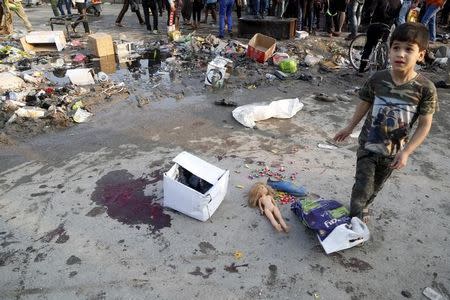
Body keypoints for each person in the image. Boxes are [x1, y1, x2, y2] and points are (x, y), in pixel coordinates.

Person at [334, 23, 438, 224]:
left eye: (409, 49)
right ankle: (353, 222)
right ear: (389, 50)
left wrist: (406, 152)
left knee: (375, 188)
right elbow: (364, 104)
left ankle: (362, 207)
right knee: (362, 186)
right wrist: (349, 128)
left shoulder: (426, 88)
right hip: (368, 145)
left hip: (393, 152)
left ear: (421, 55)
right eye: (396, 47)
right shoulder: (378, 78)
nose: (401, 53)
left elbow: (425, 124)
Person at [357, 0, 401, 72]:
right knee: (382, 45)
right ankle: (380, 67)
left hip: (375, 24)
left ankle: (362, 67)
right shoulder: (398, 2)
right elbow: (397, 16)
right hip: (387, 27)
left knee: (369, 46)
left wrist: (366, 19)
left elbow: (371, 9)